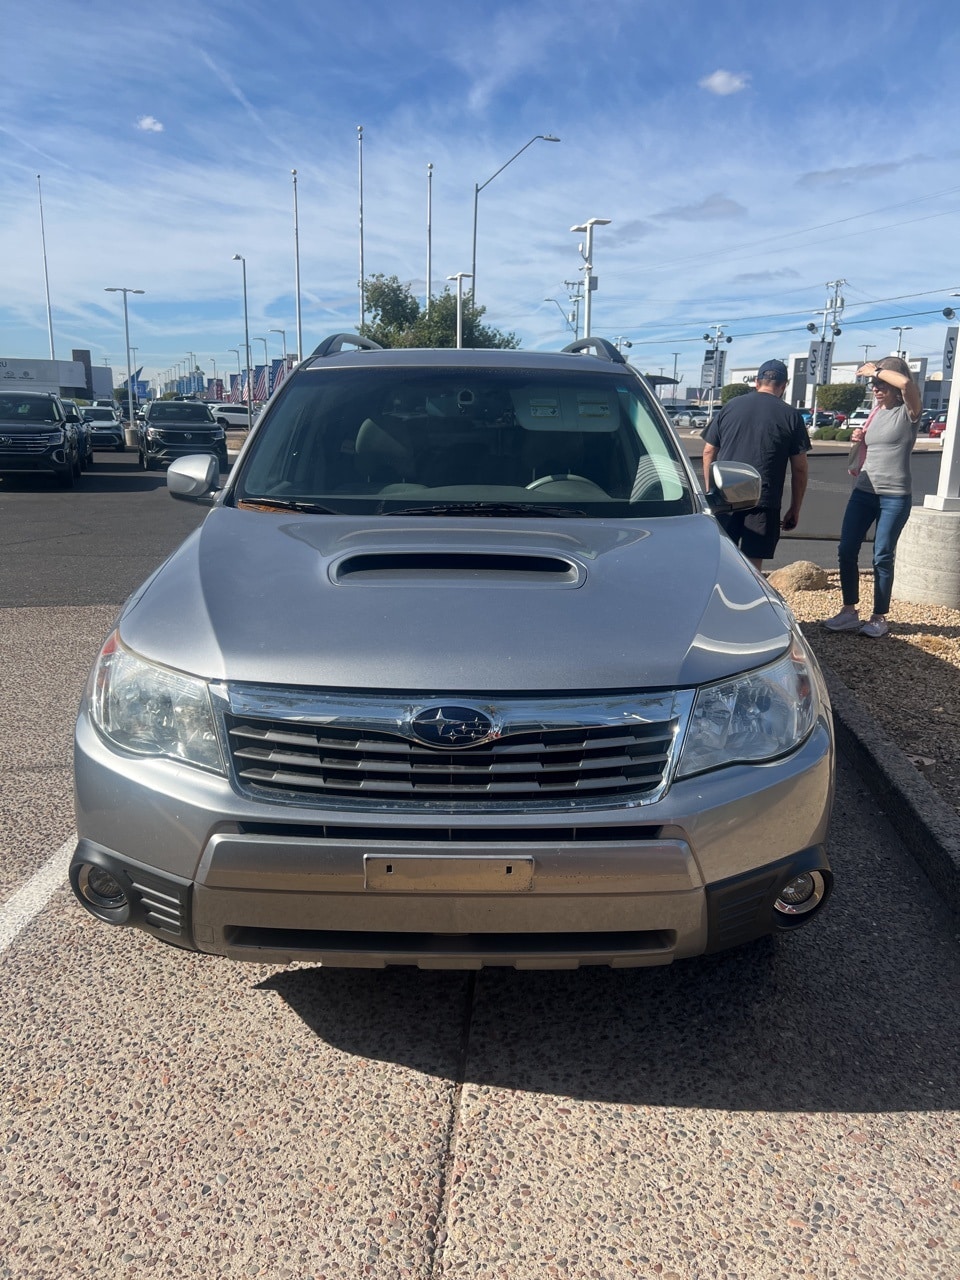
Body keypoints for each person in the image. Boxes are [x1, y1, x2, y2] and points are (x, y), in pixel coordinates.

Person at [821, 355, 922, 638]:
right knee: (846, 549)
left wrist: (875, 370)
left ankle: (879, 617)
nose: (875, 388)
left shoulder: (909, 412)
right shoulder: (876, 412)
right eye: (873, 384)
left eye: (880, 383)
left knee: (882, 555)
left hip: (895, 496)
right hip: (864, 491)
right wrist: (859, 438)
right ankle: (849, 611)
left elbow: (907, 384)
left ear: (893, 384)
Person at [701, 359, 810, 570]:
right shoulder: (791, 416)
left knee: (722, 559)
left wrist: (711, 492)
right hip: (764, 500)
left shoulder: (730, 407)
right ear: (784, 385)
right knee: (753, 565)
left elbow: (708, 451)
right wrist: (795, 508)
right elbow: (800, 468)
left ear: (757, 382)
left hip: (726, 497)